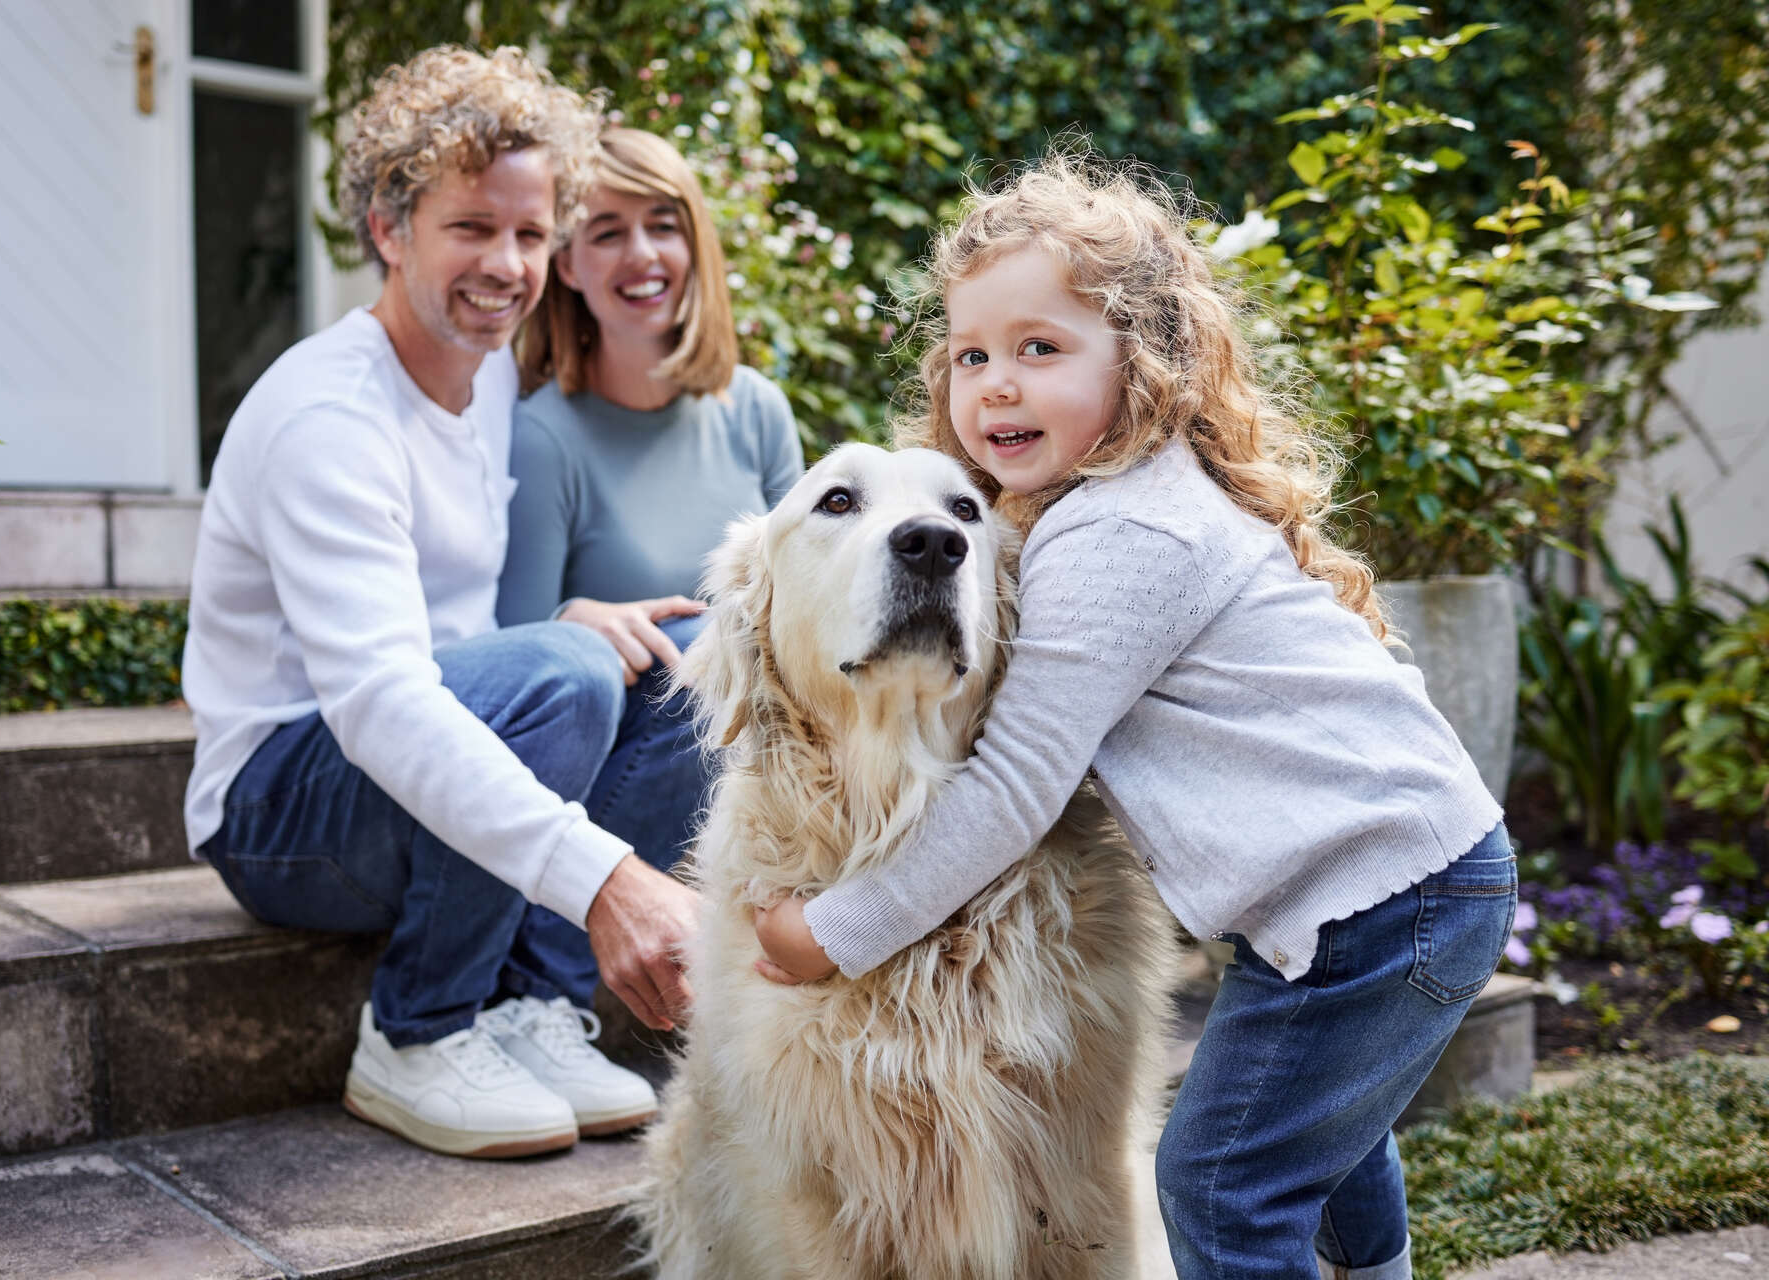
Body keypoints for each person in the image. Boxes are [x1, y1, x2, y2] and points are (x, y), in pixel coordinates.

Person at [750, 154, 1512, 1280]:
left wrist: (835, 933)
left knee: (1221, 1180)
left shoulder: (1122, 538)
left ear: (1146, 362)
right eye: (972, 354)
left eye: (1039, 349)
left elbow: (1014, 787)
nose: (996, 385)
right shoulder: (1114, 508)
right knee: (1329, 1147)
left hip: (1383, 904)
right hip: (1397, 879)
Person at [180, 46, 704, 1163]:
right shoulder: (329, 413)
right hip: (280, 810)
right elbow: (381, 701)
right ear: (389, 227)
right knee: (558, 678)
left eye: (527, 232)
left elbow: (459, 651)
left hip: (389, 761)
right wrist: (607, 877)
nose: (506, 263)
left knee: (684, 650)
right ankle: (418, 1029)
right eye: (471, 227)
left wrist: (562, 625)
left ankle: (533, 1004)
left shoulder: (493, 376)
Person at [488, 126, 803, 1003]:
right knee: (701, 645)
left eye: (662, 224)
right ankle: (542, 995)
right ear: (568, 267)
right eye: (606, 230)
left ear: (693, 240)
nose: (642, 254)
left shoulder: (756, 413)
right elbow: (514, 660)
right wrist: (574, 617)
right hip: (617, 764)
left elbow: (808, 602)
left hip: (752, 765)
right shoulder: (545, 435)